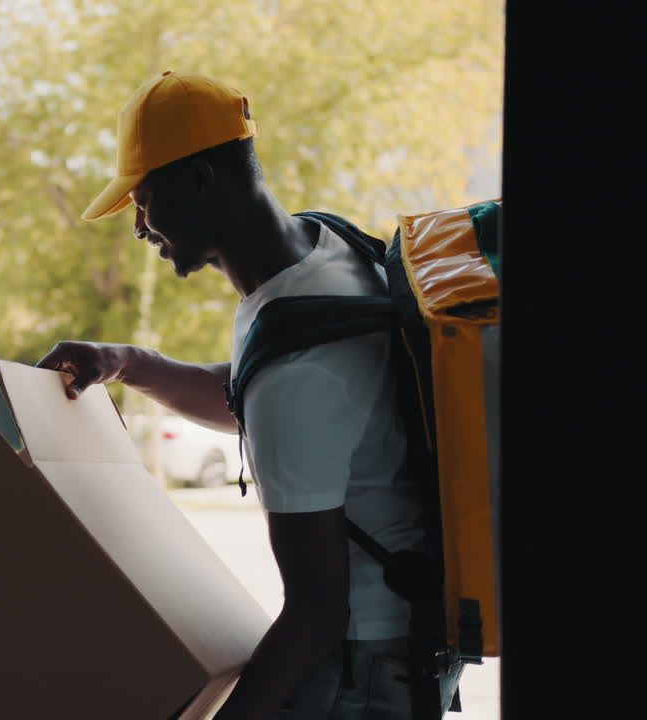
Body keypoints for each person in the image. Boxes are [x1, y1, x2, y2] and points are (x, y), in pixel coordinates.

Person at [36, 71, 462, 719]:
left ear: (201, 181)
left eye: (144, 201)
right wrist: (127, 363)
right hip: (407, 644)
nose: (140, 229)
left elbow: (315, 615)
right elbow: (248, 391)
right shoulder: (327, 252)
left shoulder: (297, 370)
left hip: (369, 664)